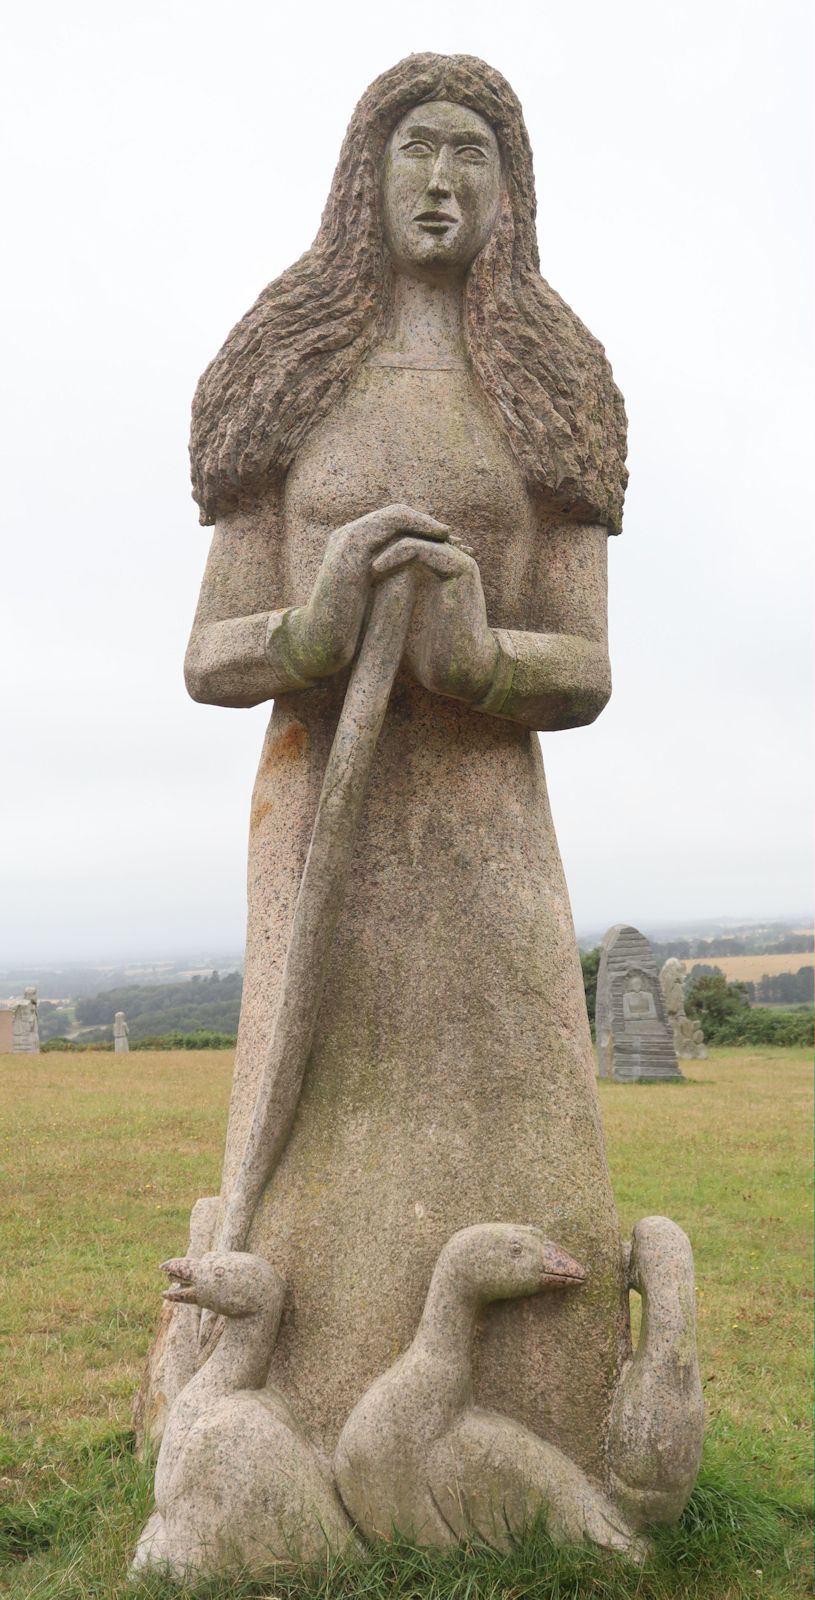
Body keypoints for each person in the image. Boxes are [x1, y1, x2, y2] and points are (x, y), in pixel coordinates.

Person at [184, 54, 629, 1476]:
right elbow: (210, 652)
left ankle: (536, 1426)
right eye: (416, 149)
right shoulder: (285, 375)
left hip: (486, 836)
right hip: (321, 816)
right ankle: (285, 1412)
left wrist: (481, 656)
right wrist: (312, 628)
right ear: (363, 177)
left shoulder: (555, 386)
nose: (441, 181)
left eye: (472, 155)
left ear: (513, 191)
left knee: (507, 1121)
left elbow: (586, 663)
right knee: (315, 1121)